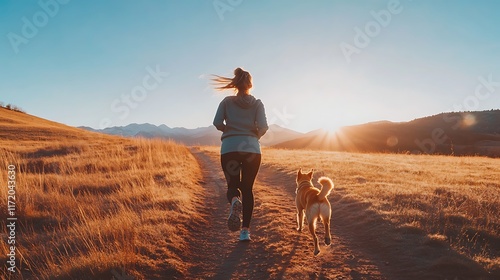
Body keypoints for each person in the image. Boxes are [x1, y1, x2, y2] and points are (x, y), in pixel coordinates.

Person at [212, 67, 268, 241]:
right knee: (248, 189)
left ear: (235, 84)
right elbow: (264, 127)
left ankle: (235, 201)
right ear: (250, 84)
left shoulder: (226, 102)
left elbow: (216, 123)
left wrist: (229, 129)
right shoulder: (258, 103)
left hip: (230, 148)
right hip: (251, 149)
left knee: (232, 187)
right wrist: (253, 136)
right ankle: (245, 232)